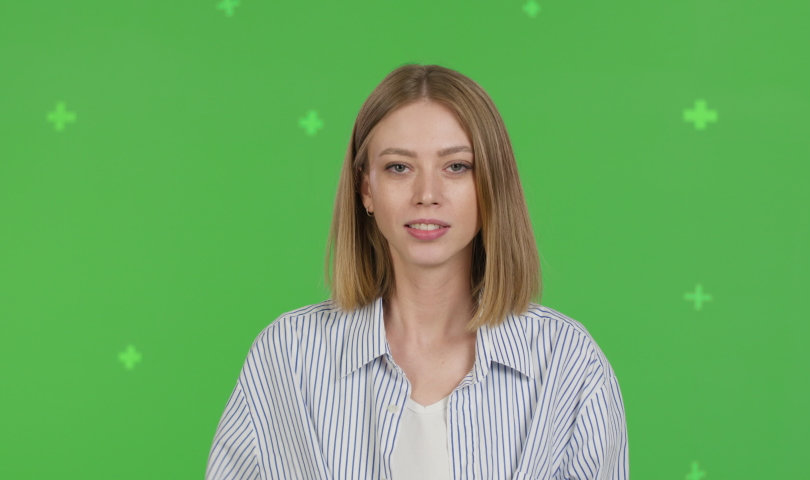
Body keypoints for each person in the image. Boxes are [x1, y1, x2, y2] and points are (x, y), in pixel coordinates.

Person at [205, 64, 628, 480]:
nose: (427, 195)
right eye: (399, 167)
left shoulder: (569, 364)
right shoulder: (287, 357)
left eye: (457, 166)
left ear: (492, 185)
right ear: (366, 189)